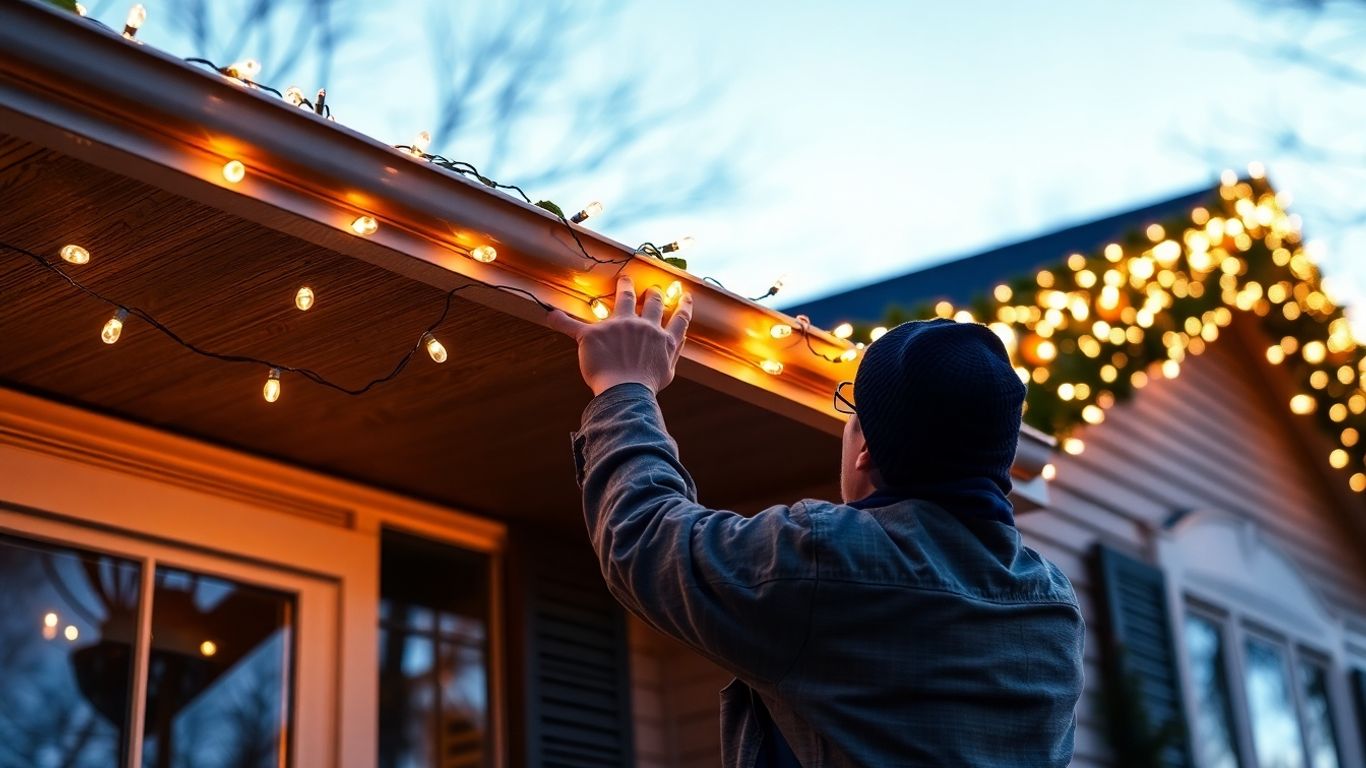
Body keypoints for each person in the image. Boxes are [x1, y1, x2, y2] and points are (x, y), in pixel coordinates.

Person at [547, 276, 1084, 767]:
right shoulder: (1052, 608)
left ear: (866, 447)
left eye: (851, 412)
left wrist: (624, 387)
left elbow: (646, 539)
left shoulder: (830, 559)